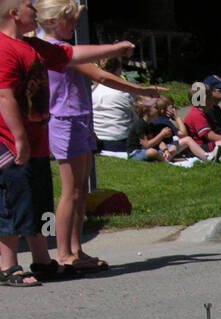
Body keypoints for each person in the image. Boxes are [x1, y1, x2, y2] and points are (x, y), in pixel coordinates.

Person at [0, 0, 133, 287]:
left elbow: (71, 53)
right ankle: (8, 266)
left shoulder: (33, 46)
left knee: (38, 201)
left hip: (36, 139)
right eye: (28, 6)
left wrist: (114, 48)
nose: (34, 11)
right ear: (14, 14)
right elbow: (4, 97)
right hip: (11, 143)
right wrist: (19, 138)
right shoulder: (4, 48)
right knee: (12, 203)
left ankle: (42, 260)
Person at [36, 0, 159, 273]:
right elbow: (100, 75)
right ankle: (64, 252)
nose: (73, 26)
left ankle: (76, 249)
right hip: (65, 122)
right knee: (70, 191)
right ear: (51, 22)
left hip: (77, 119)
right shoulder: (56, 49)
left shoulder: (61, 47)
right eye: (68, 21)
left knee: (81, 191)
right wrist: (141, 90)